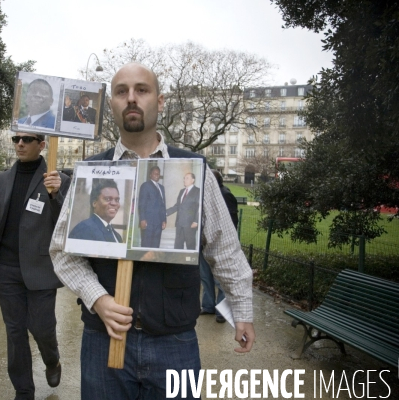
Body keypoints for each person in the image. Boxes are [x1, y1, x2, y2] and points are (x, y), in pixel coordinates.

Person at [50, 62, 255, 399]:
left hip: (176, 343)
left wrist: (242, 311)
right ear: (111, 106)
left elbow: (224, 247)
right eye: (121, 92)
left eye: (141, 90)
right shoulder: (91, 170)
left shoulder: (195, 168)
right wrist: (98, 299)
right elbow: (62, 251)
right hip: (104, 341)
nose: (131, 98)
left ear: (160, 102)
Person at [0, 132, 70, 400]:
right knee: (15, 332)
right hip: (6, 270)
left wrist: (56, 194)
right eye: (16, 139)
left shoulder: (56, 179)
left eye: (27, 139)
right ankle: (23, 390)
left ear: (42, 145)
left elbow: (67, 223)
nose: (20, 144)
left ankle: (52, 360)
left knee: (41, 327)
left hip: (40, 268)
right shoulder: (1, 180)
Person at [200, 170, 240, 323]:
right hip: (202, 244)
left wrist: (223, 242)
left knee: (219, 280)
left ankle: (221, 312)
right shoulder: (204, 195)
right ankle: (208, 306)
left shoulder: (225, 195)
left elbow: (231, 222)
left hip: (217, 245)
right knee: (205, 277)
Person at [166, 172, 201, 250]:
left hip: (190, 224)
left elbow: (199, 207)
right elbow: (177, 206)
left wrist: (196, 221)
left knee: (190, 246)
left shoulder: (198, 191)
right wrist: (165, 212)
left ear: (193, 180)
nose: (184, 180)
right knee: (178, 246)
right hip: (179, 224)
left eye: (187, 178)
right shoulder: (182, 191)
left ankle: (189, 261)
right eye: (184, 178)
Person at [137, 166, 166, 248]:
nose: (157, 175)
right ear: (150, 175)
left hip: (158, 223)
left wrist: (164, 220)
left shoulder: (162, 188)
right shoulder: (145, 185)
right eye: (155, 173)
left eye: (158, 173)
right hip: (148, 222)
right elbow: (141, 204)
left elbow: (163, 205)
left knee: (155, 247)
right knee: (146, 246)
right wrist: (142, 219)